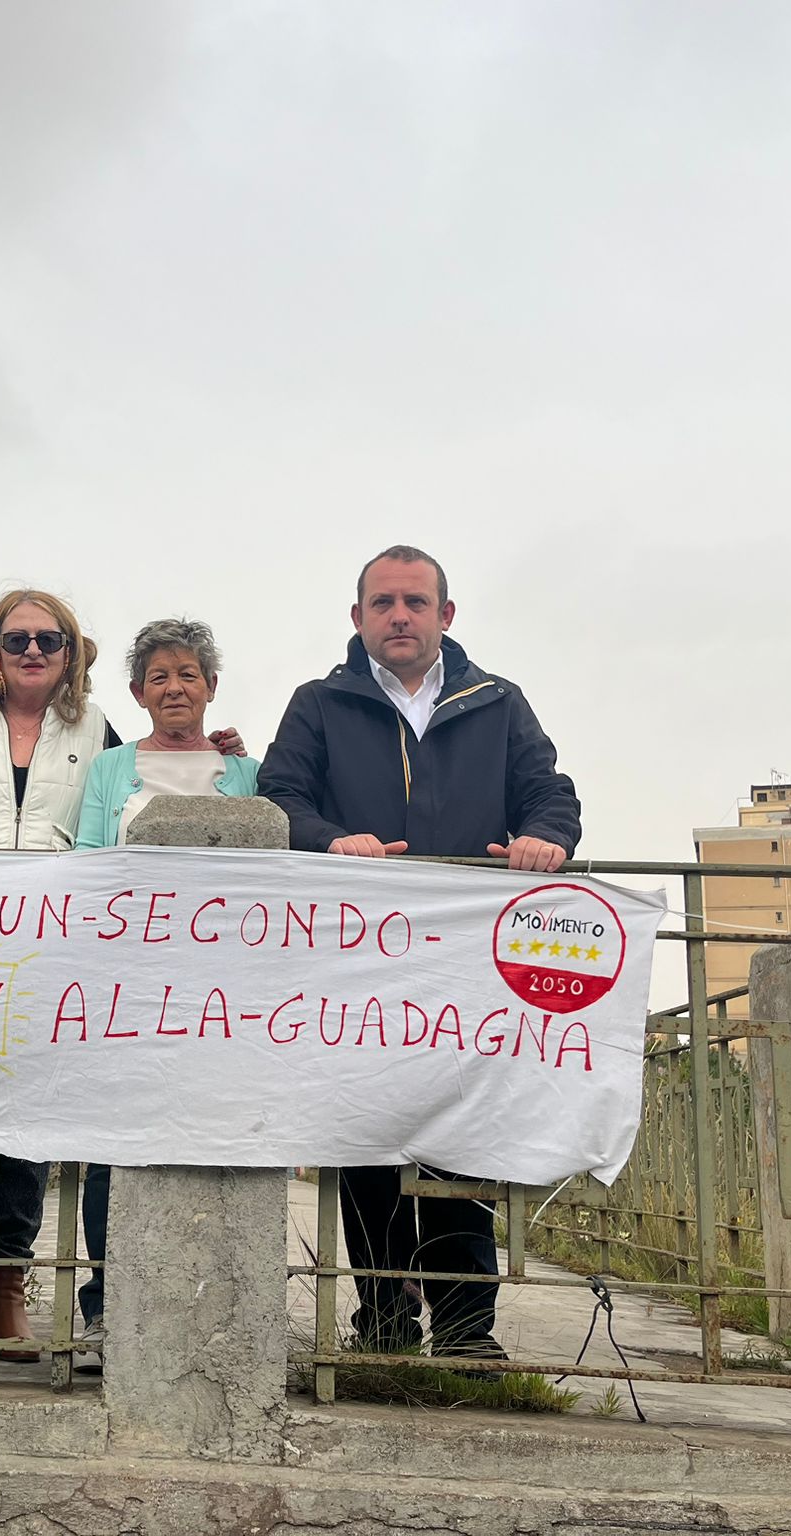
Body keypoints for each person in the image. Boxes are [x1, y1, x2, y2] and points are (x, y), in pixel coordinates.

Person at [0, 589, 243, 1369]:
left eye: (48, 640)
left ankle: (7, 1290)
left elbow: (150, 780)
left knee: (27, 1116)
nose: (31, 651)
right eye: (16, 639)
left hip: (55, 946)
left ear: (70, 653)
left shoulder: (94, 729)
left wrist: (225, 751)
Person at [257, 544, 581, 1359]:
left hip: (465, 962)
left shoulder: (498, 702)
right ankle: (385, 1319)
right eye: (382, 603)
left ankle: (468, 1327)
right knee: (366, 1135)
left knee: (461, 1134)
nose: (399, 616)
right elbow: (280, 798)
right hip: (357, 962)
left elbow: (549, 789)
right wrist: (333, 841)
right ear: (358, 617)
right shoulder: (318, 703)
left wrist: (544, 836)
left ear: (446, 615)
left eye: (414, 601)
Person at [70, 617, 261, 1373]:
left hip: (220, 995)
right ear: (137, 693)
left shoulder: (245, 772)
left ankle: (213, 1310)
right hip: (130, 984)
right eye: (159, 676)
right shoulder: (112, 768)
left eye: (188, 674)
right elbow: (88, 858)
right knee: (110, 1146)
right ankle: (101, 1309)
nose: (175, 687)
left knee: (211, 1141)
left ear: (211, 687)